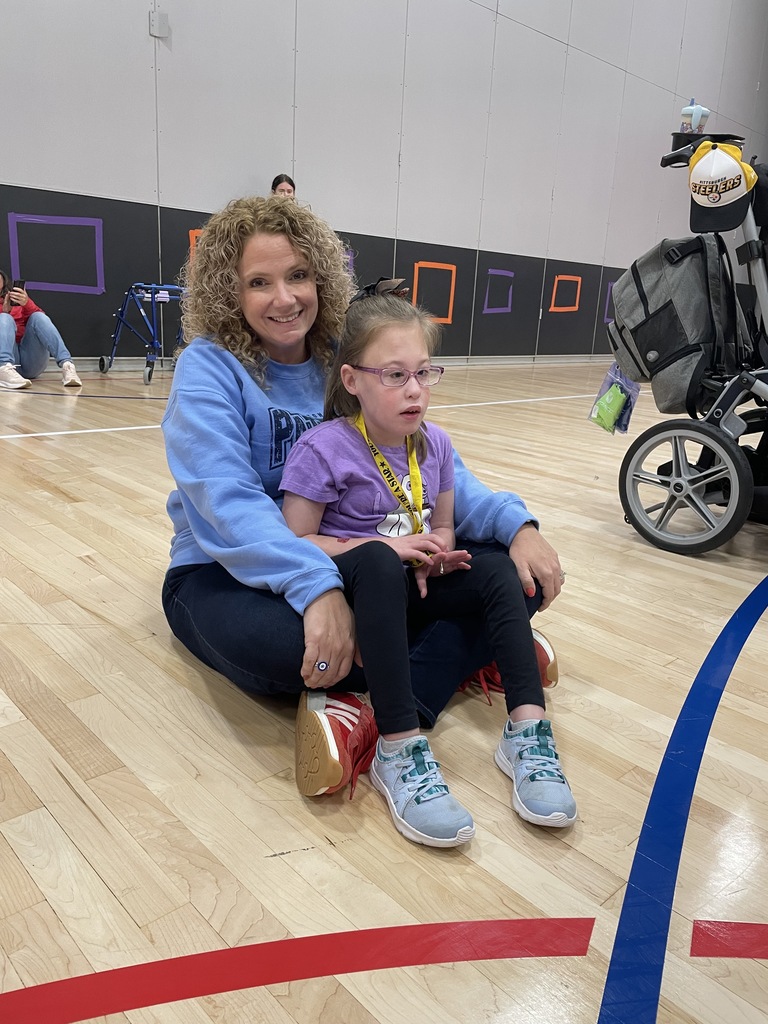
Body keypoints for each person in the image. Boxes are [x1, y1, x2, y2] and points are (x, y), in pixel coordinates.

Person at [160, 196, 567, 838]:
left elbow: (432, 466)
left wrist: (519, 526)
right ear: (226, 291)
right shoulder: (209, 367)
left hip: (361, 560)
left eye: (297, 275)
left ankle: (369, 712)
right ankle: (473, 649)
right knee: (294, 654)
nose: (284, 297)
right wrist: (315, 586)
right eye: (258, 282)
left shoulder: (341, 360)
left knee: (509, 578)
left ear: (322, 277)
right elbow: (226, 506)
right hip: (224, 571)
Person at [279, 294, 576, 846]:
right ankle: (397, 747)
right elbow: (295, 541)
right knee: (374, 557)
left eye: (423, 373)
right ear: (352, 379)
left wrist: (438, 550)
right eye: (395, 375)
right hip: (361, 586)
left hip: (419, 582)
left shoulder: (434, 444)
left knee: (495, 571)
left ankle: (527, 732)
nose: (414, 389)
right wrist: (383, 549)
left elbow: (443, 526)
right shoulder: (323, 449)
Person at [0, 270, 82, 390]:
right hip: (8, 359)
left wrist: (26, 303)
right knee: (4, 318)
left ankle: (67, 365)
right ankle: (3, 368)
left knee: (38, 317)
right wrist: (5, 312)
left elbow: (41, 322)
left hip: (30, 359)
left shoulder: (15, 300)